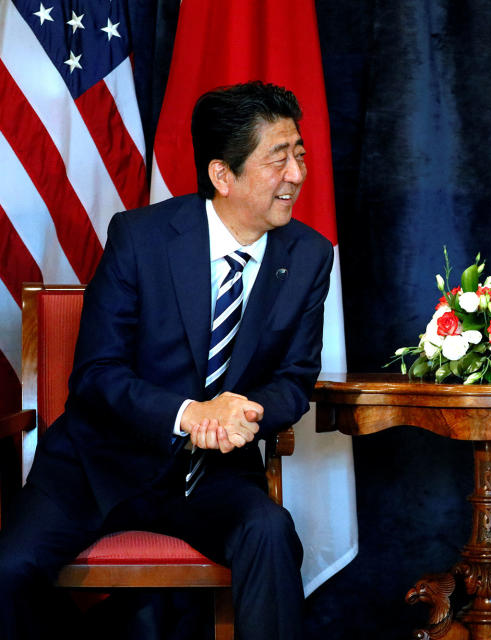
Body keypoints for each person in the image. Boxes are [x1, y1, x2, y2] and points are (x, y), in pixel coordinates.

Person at [0, 81, 332, 639]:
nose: (296, 174)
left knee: (270, 533)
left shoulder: (308, 255)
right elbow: (96, 376)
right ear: (222, 175)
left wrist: (240, 413)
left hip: (211, 476)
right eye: (279, 159)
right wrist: (191, 414)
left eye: (298, 154)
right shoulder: (140, 238)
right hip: (98, 463)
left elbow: (295, 380)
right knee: (9, 572)